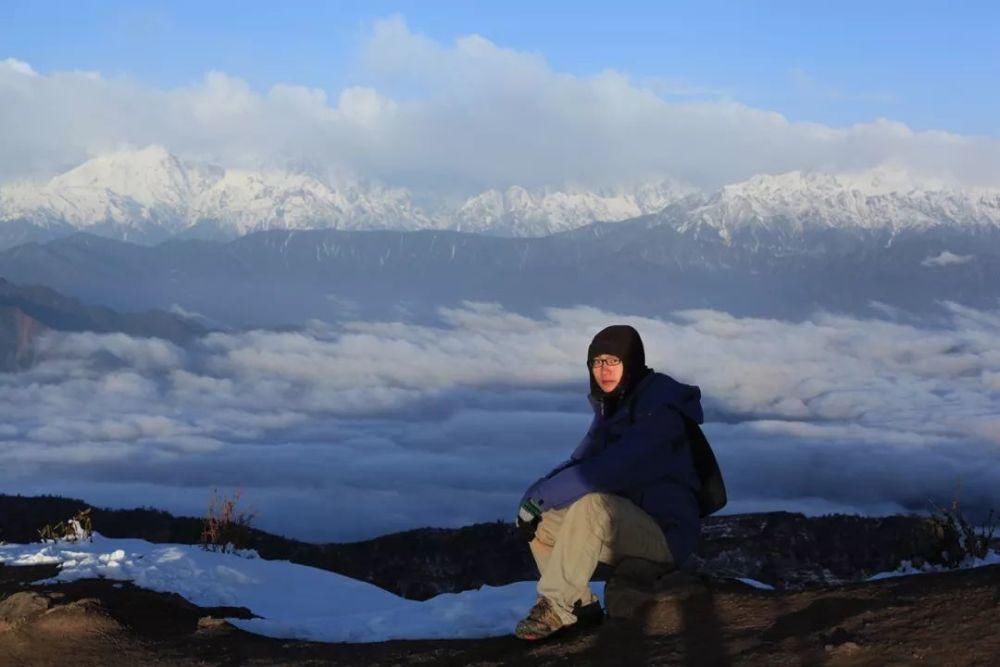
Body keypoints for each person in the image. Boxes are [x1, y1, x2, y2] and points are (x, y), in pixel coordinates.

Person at [513, 324, 704, 641]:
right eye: (597, 362)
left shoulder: (659, 411)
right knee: (542, 523)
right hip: (630, 524)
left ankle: (556, 606)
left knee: (593, 505)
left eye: (613, 361)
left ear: (632, 362)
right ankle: (580, 606)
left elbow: (606, 470)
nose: (603, 370)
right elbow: (581, 460)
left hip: (665, 534)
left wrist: (542, 495)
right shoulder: (615, 407)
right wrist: (533, 499)